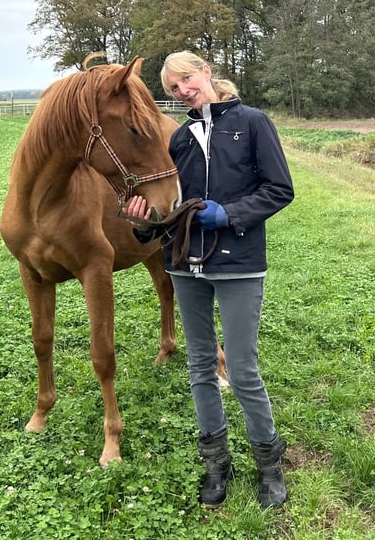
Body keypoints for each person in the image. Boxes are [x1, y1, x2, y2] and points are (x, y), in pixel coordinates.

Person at [124, 51, 294, 509]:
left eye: (185, 80)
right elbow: (168, 207)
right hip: (184, 264)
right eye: (173, 88)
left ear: (206, 72)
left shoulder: (252, 122)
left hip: (238, 262)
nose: (181, 91)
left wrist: (231, 215)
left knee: (241, 369)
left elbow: (280, 189)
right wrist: (143, 224)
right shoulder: (178, 139)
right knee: (200, 366)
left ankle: (268, 463)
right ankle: (217, 463)